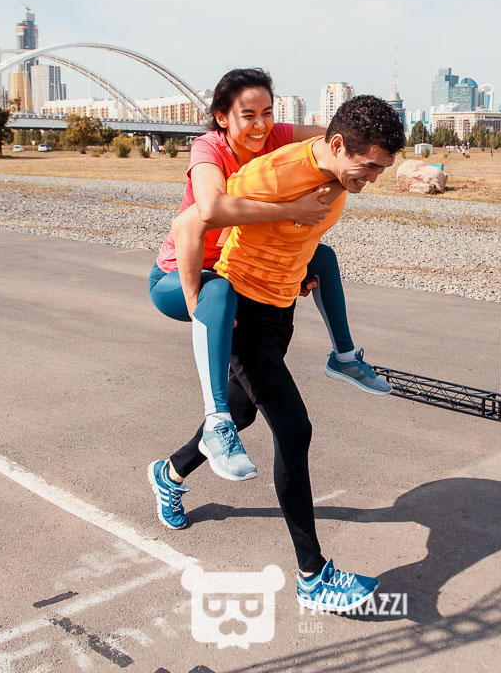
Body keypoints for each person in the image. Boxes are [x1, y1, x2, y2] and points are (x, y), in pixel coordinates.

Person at [148, 95, 406, 612]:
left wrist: (298, 268)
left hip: (278, 309)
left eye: (382, 167)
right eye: (371, 165)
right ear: (338, 146)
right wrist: (200, 305)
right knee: (293, 428)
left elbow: (298, 238)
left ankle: (169, 473)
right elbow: (192, 224)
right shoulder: (273, 172)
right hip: (240, 308)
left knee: (245, 410)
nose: (375, 177)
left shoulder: (338, 173)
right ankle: (313, 576)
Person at [147, 68, 390, 482]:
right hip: (187, 275)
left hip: (241, 274)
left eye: (267, 113)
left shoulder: (275, 137)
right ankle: (214, 419)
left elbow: (339, 138)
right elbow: (209, 210)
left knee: (245, 405)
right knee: (219, 298)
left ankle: (344, 357)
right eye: (248, 115)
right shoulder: (209, 149)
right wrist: (195, 301)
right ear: (222, 117)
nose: (260, 125)